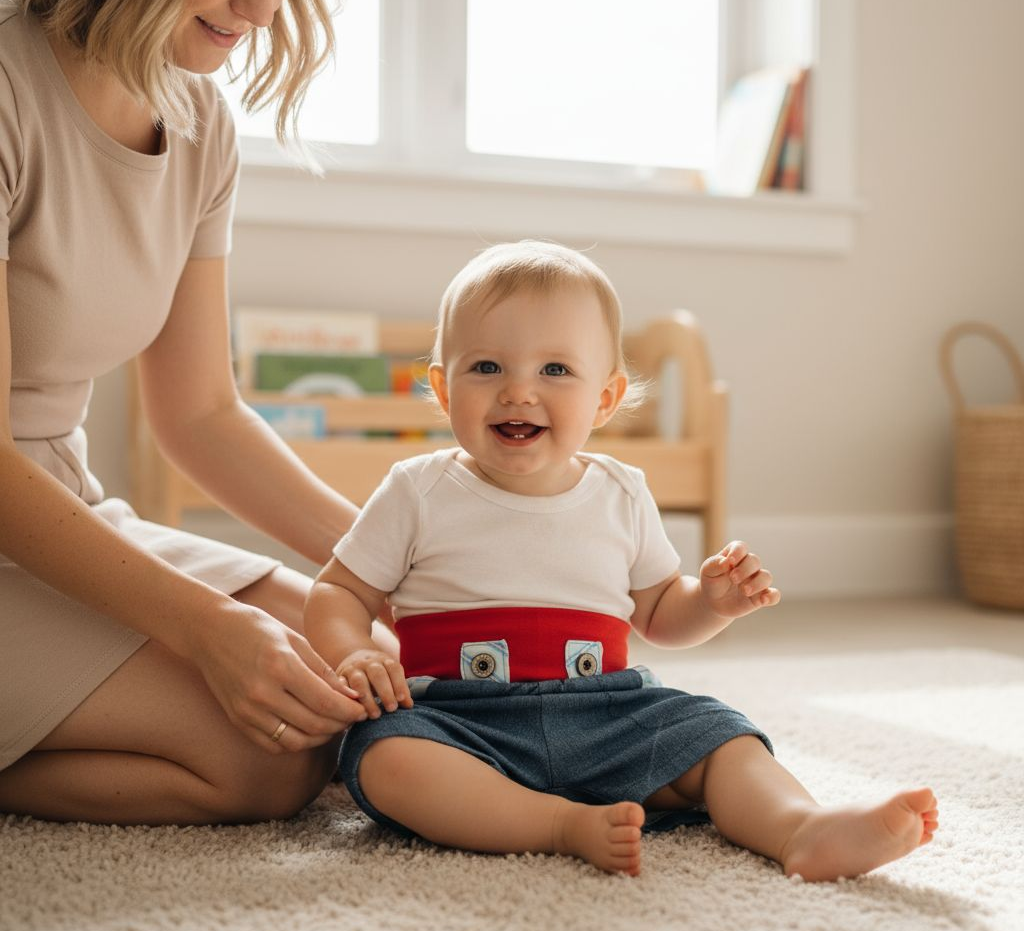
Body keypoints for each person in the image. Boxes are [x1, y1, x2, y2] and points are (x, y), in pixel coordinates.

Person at [304, 240, 940, 881]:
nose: (519, 391)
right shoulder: (417, 488)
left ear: (605, 399)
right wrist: (352, 651)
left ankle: (800, 828)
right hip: (463, 723)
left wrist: (713, 603)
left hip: (607, 716)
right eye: (487, 367)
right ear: (443, 389)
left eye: (555, 370)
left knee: (719, 735)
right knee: (386, 758)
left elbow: (661, 613)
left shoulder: (621, 491)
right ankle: (554, 824)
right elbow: (337, 594)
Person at [0, 0, 378, 825]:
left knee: (377, 666)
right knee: (265, 757)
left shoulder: (199, 123)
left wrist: (397, 569)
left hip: (64, 511)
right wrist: (206, 626)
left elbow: (202, 413)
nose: (263, 8)